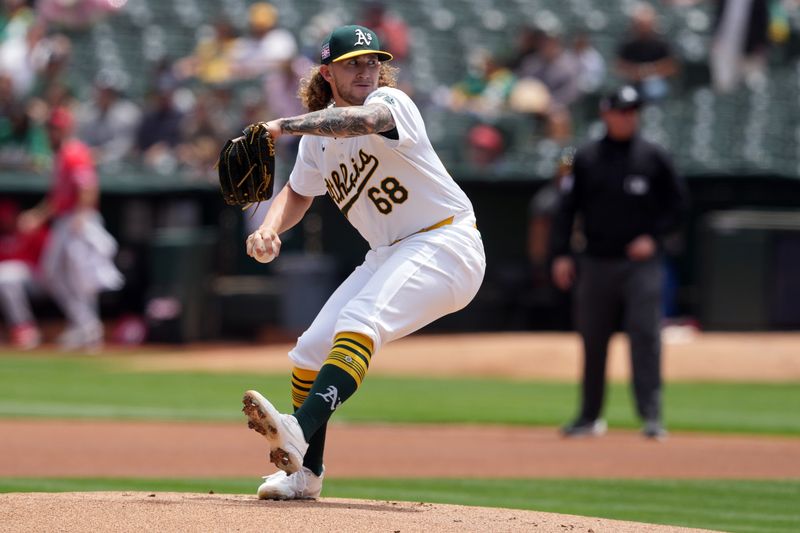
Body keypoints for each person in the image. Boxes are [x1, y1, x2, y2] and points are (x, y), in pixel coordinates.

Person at [240, 24, 486, 500]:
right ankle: (305, 474)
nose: (367, 69)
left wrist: (281, 125)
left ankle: (300, 427)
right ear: (328, 72)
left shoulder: (393, 105)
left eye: (373, 61)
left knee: (360, 319)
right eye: (354, 62)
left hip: (445, 242)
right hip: (391, 252)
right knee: (310, 350)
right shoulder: (318, 138)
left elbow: (364, 123)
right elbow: (297, 191)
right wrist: (270, 227)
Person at [550, 85, 687, 440]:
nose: (628, 116)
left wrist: (653, 238)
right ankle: (589, 417)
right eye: (621, 110)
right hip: (595, 261)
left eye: (633, 111)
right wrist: (562, 254)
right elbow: (567, 209)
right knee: (593, 340)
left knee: (645, 336)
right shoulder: (587, 157)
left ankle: (652, 418)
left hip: (641, 264)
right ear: (606, 113)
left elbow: (680, 205)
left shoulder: (653, 155)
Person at [18, 106, 123, 350]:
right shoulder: (61, 155)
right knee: (54, 275)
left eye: (55, 128)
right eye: (50, 128)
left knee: (81, 278)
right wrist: (37, 215)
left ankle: (88, 328)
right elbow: (57, 198)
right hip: (67, 219)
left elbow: (88, 186)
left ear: (66, 128)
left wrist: (82, 213)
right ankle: (84, 325)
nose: (51, 132)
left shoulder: (75, 151)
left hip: (79, 221)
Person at [0, 199, 48, 349]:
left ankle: (24, 328)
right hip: (10, 285)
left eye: (9, 217)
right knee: (6, 277)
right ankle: (21, 328)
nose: (6, 221)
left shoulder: (31, 231)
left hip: (37, 281)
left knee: (7, 274)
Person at [615, 2, 678, 102]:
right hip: (632, 82)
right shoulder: (628, 44)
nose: (643, 28)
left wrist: (650, 70)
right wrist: (636, 72)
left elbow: (671, 67)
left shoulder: (661, 43)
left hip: (656, 81)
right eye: (640, 25)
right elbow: (619, 67)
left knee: (654, 90)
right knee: (625, 95)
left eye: (646, 25)